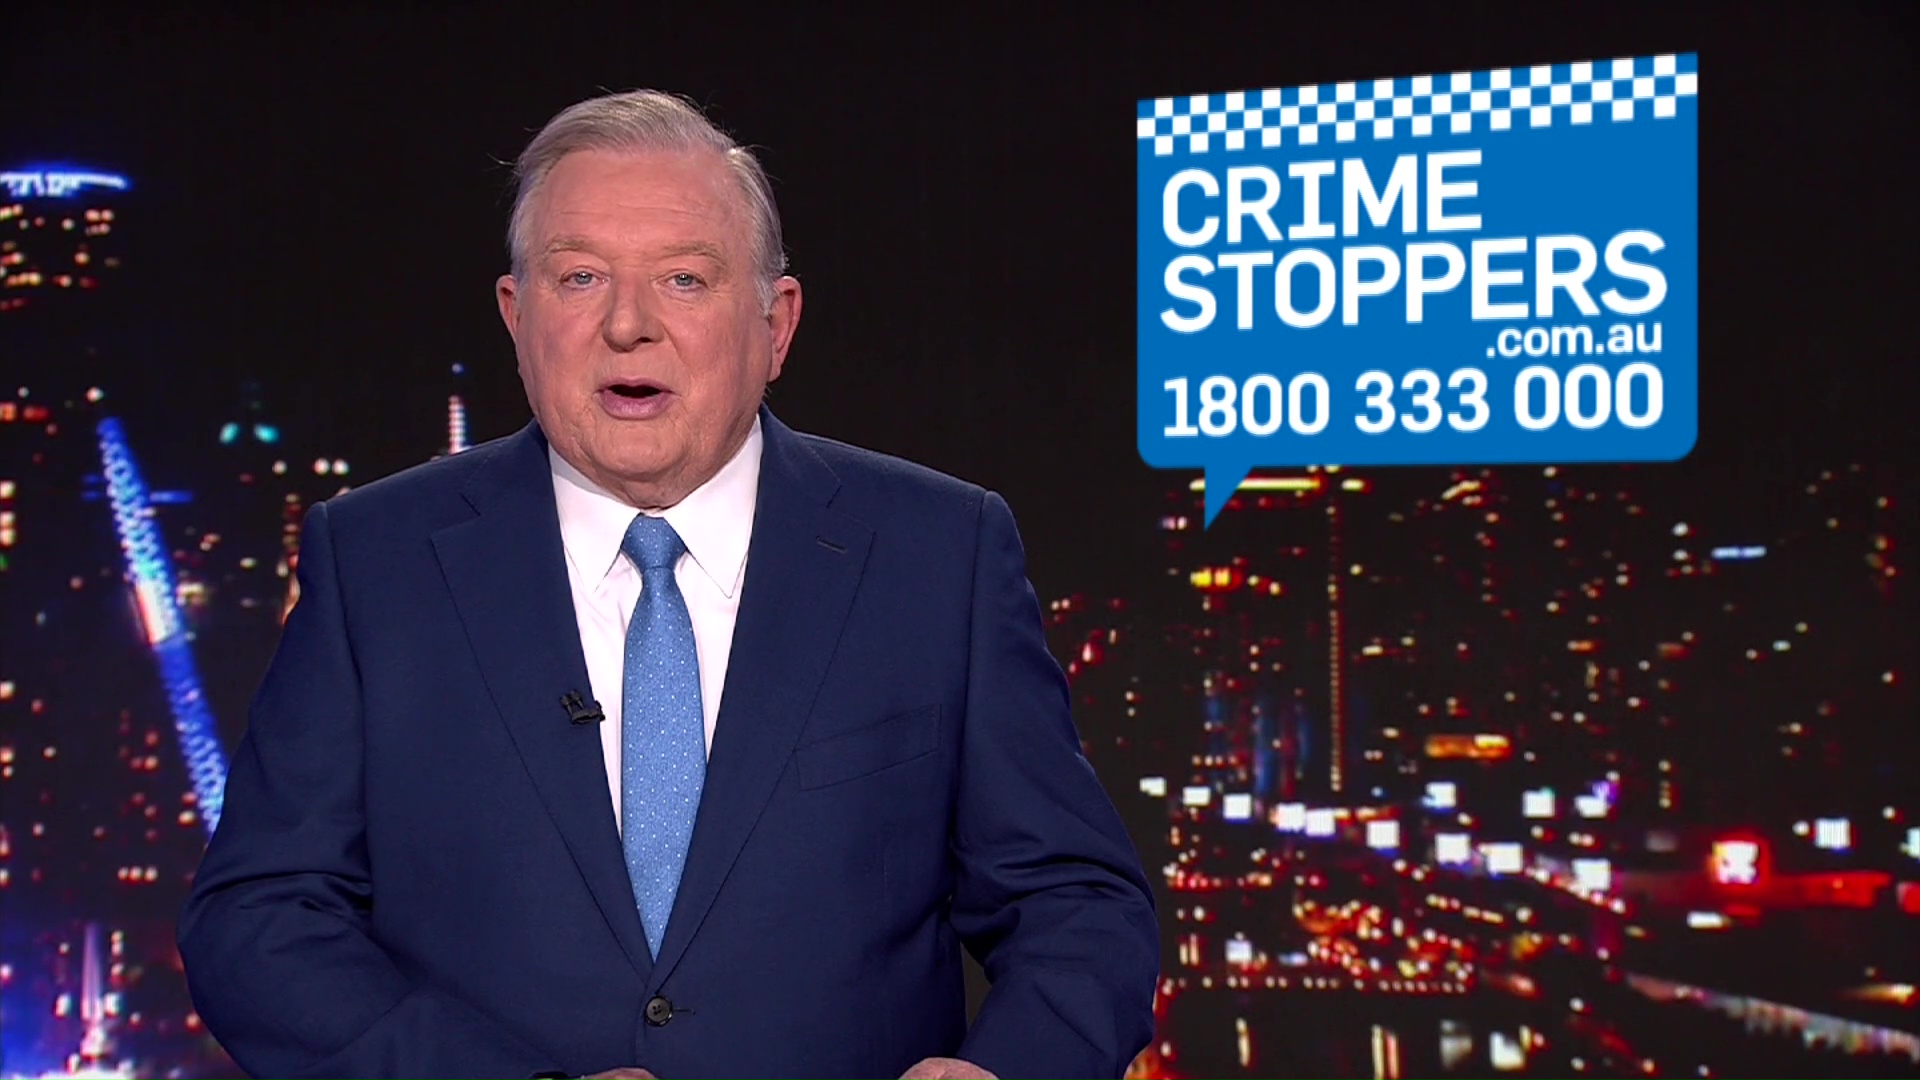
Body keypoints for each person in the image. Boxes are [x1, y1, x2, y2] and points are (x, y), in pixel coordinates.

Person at [177, 89, 1158, 1080]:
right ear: (517, 317)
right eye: (580, 278)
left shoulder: (937, 553)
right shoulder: (374, 561)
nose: (628, 325)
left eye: (685, 279)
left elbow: (1075, 901)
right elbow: (258, 918)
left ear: (776, 325)